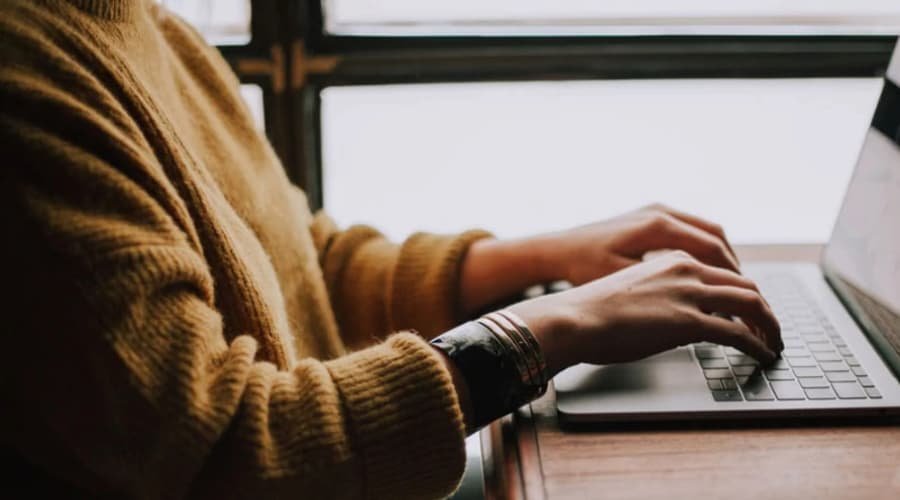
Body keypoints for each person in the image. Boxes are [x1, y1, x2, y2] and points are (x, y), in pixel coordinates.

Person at [0, 1, 783, 498]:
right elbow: (229, 456)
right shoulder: (25, 79)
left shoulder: (144, 24)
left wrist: (543, 258)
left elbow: (301, 266)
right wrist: (551, 327)